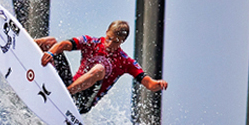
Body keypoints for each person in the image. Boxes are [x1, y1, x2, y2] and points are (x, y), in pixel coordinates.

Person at [37, 21, 168, 114]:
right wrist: (50, 53)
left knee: (99, 69)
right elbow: (65, 44)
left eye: (115, 41)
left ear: (122, 41)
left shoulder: (125, 61)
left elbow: (149, 84)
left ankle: (66, 94)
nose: (110, 44)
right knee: (52, 42)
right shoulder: (92, 42)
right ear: (106, 32)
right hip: (69, 84)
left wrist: (158, 84)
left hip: (82, 102)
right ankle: (20, 44)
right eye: (109, 38)